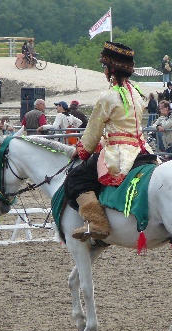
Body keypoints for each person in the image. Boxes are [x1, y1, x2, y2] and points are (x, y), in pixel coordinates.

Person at [64, 41, 154, 241]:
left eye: (104, 67)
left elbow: (92, 132)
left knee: (76, 179)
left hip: (119, 152)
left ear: (110, 70)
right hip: (142, 149)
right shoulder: (137, 94)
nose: (104, 71)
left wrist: (81, 151)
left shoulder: (109, 96)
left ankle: (97, 223)